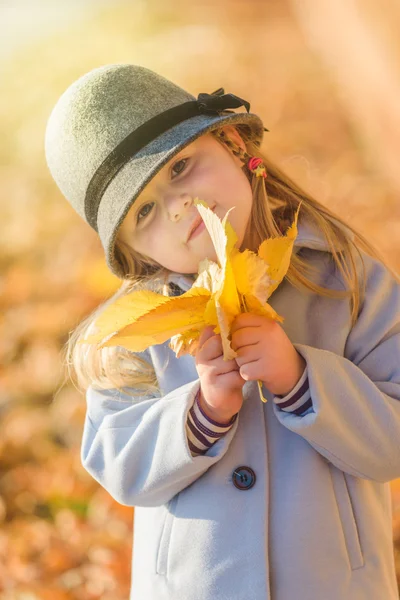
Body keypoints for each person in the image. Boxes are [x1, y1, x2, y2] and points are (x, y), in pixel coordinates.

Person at [44, 63, 400, 600]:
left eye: (181, 167)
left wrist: (303, 381)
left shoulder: (345, 279)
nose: (177, 205)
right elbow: (121, 464)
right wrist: (200, 414)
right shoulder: (140, 333)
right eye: (143, 211)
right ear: (134, 252)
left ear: (232, 142)